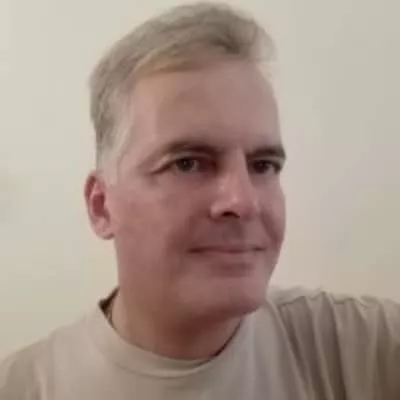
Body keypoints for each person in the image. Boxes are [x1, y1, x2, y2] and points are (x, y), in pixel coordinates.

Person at [1, 2, 399, 399]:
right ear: (101, 206)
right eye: (187, 163)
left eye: (263, 165)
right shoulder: (24, 387)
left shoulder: (357, 349)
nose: (242, 201)